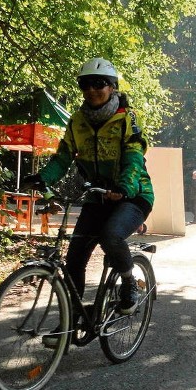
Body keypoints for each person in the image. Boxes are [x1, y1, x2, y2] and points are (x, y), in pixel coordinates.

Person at [22, 57, 154, 317]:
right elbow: (63, 156)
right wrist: (43, 178)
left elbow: (134, 155)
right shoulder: (77, 121)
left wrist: (125, 186)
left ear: (112, 87)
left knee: (111, 236)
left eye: (99, 83)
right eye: (85, 84)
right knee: (74, 259)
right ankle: (70, 323)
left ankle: (128, 282)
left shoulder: (127, 118)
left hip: (134, 195)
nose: (92, 90)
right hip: (98, 196)